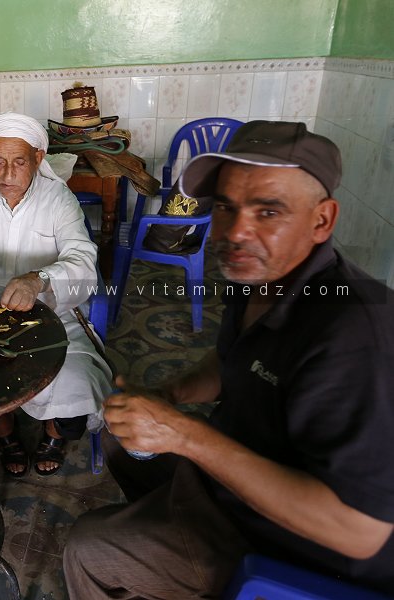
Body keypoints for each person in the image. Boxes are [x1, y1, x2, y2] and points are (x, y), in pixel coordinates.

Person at [63, 121, 394, 597]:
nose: (237, 232)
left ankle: (185, 558)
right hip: (237, 480)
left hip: (296, 545)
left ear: (322, 220)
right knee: (120, 436)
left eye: (269, 211)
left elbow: (359, 532)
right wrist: (172, 394)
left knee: (88, 548)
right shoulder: (257, 275)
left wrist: (185, 434)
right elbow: (233, 361)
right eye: (225, 207)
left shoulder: (354, 338)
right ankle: (171, 540)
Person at [0, 112, 113, 477]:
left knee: (76, 380)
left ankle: (54, 430)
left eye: (18, 162)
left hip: (50, 313)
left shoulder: (58, 199)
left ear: (38, 159)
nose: (7, 174)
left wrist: (40, 279)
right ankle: (5, 430)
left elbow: (82, 259)